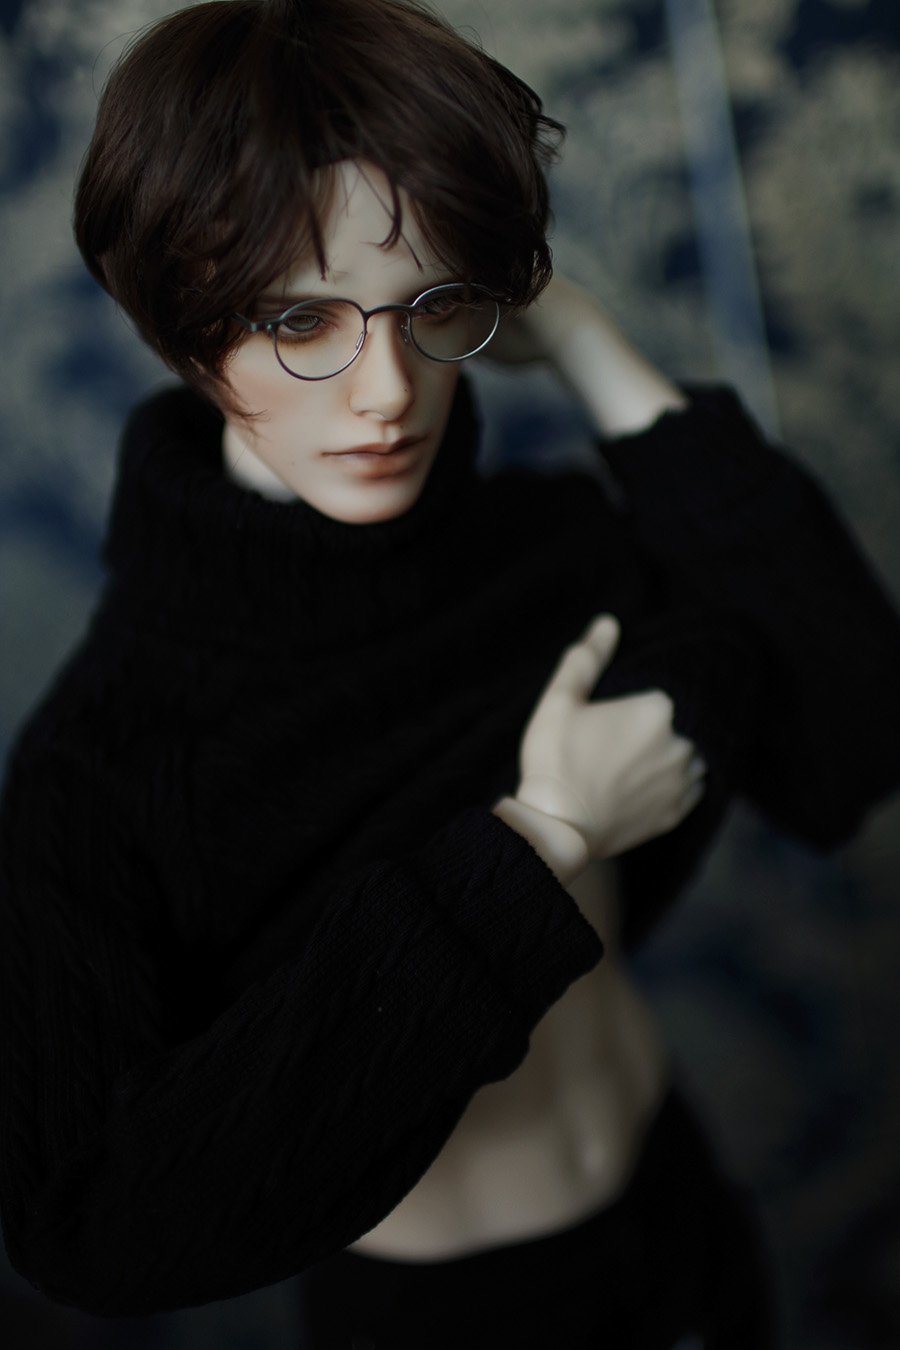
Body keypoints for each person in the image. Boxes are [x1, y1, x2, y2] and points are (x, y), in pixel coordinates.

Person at [1, 1, 899, 1346]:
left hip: (684, 1217)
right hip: (452, 1316)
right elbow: (88, 1221)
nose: (386, 389)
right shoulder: (116, 755)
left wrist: (590, 347)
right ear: (184, 327)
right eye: (300, 319)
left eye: (436, 303)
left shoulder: (555, 551)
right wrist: (542, 842)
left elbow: (850, 740)